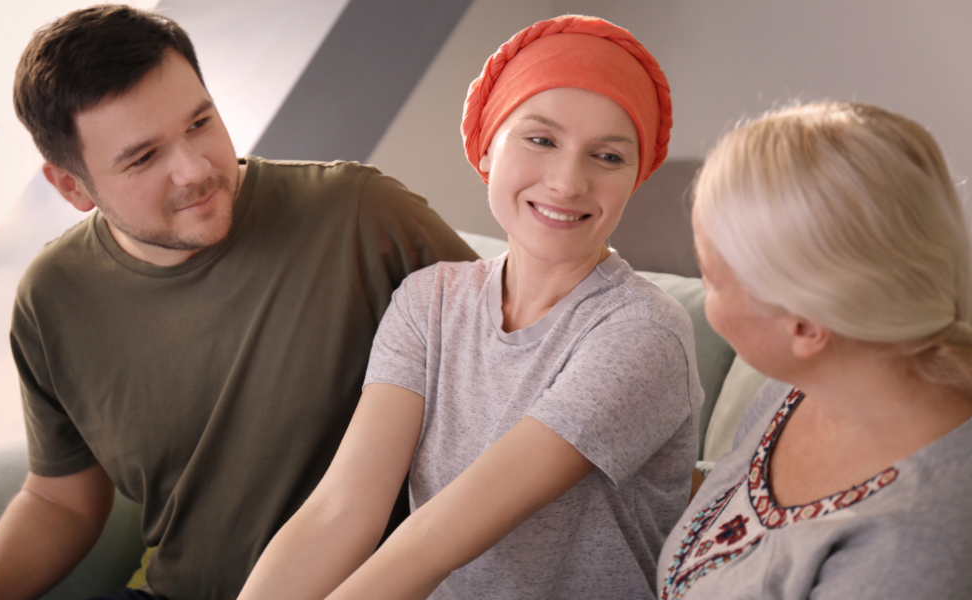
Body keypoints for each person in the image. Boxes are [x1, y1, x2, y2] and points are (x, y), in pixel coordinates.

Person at [0, 5, 477, 600]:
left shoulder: (361, 216)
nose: (195, 170)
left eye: (199, 123)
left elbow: (521, 363)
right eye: (143, 157)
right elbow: (62, 499)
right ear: (72, 186)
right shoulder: (51, 297)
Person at [238, 15, 703, 600]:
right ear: (488, 145)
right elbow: (341, 510)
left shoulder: (643, 333)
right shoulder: (428, 301)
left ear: (636, 177)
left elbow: (441, 537)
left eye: (608, 157)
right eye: (541, 139)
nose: (567, 181)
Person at [658, 102, 972, 599]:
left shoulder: (911, 549)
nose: (703, 289)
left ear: (805, 327)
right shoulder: (800, 386)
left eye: (712, 280)